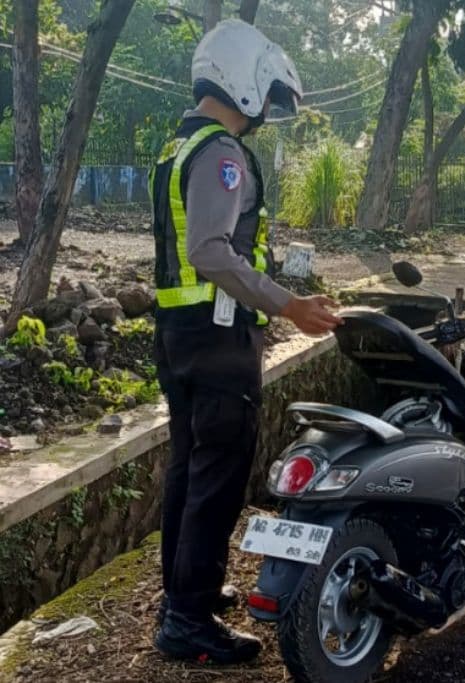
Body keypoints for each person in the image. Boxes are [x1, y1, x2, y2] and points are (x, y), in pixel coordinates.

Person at [149, 20, 340, 664]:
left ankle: (181, 594)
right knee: (218, 478)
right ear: (247, 81)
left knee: (187, 472)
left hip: (178, 336)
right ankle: (188, 621)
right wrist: (289, 305)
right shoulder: (223, 154)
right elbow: (209, 250)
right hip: (220, 337)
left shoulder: (178, 145)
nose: (268, 112)